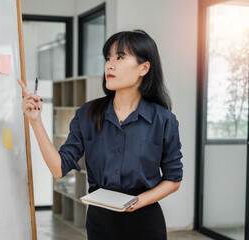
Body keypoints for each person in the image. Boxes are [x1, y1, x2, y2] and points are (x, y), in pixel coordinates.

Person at [17, 30, 183, 240]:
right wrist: (35, 121)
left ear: (144, 67)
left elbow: (173, 179)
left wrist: (138, 201)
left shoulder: (164, 120)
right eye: (108, 58)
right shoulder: (87, 114)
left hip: (145, 223)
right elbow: (58, 169)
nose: (109, 65)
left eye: (120, 57)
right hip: (100, 223)